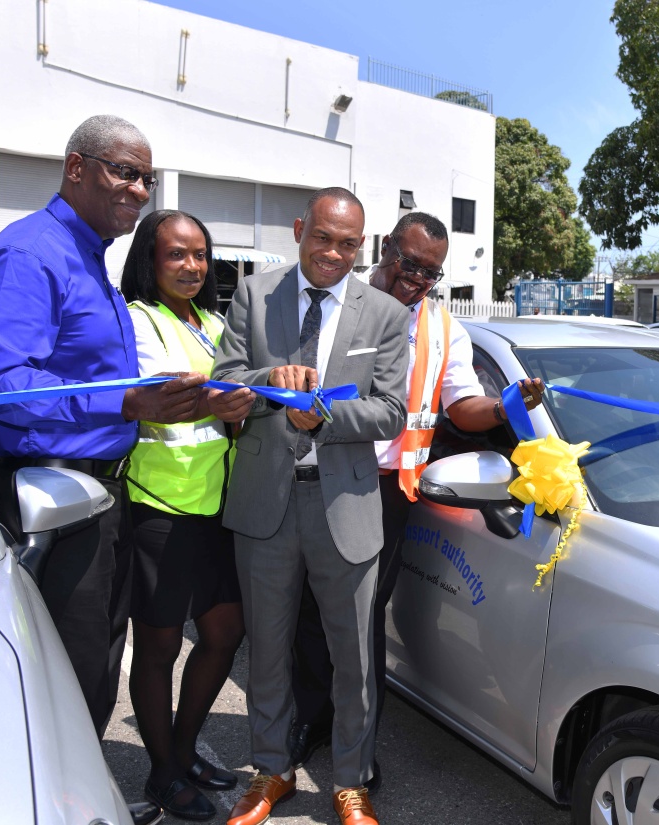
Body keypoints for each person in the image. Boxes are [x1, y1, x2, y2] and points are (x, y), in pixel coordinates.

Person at [0, 114, 209, 825]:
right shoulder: (28, 254)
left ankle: (77, 802)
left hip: (100, 499)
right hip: (52, 496)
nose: (138, 188)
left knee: (97, 673)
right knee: (64, 682)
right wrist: (129, 401)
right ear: (76, 168)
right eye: (123, 171)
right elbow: (4, 391)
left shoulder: (91, 258)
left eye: (146, 177)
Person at [287, 213, 545, 786]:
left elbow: (462, 409)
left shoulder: (442, 327)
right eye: (409, 264)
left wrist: (505, 406)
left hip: (384, 489)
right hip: (314, 472)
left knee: (363, 619)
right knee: (307, 609)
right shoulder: (336, 303)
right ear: (385, 249)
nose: (418, 280)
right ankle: (311, 719)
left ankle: (358, 747)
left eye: (431, 272)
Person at [212, 187, 407, 825]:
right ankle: (272, 771)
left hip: (344, 505)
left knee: (353, 657)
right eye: (323, 237)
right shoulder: (253, 293)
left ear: (363, 247)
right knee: (266, 650)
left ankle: (351, 781)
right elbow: (226, 379)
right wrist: (269, 385)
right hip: (265, 502)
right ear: (301, 229)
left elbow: (390, 411)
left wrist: (319, 414)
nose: (333, 253)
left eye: (348, 244)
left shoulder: (382, 312)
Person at [121, 210, 255, 821]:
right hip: (161, 506)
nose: (192, 266)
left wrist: (247, 400)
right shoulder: (137, 320)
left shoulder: (215, 323)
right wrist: (232, 397)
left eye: (200, 254)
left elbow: (231, 393)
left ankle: (180, 748)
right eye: (176, 254)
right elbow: (167, 392)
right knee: (159, 647)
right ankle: (162, 775)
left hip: (216, 507)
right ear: (150, 259)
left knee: (225, 634)